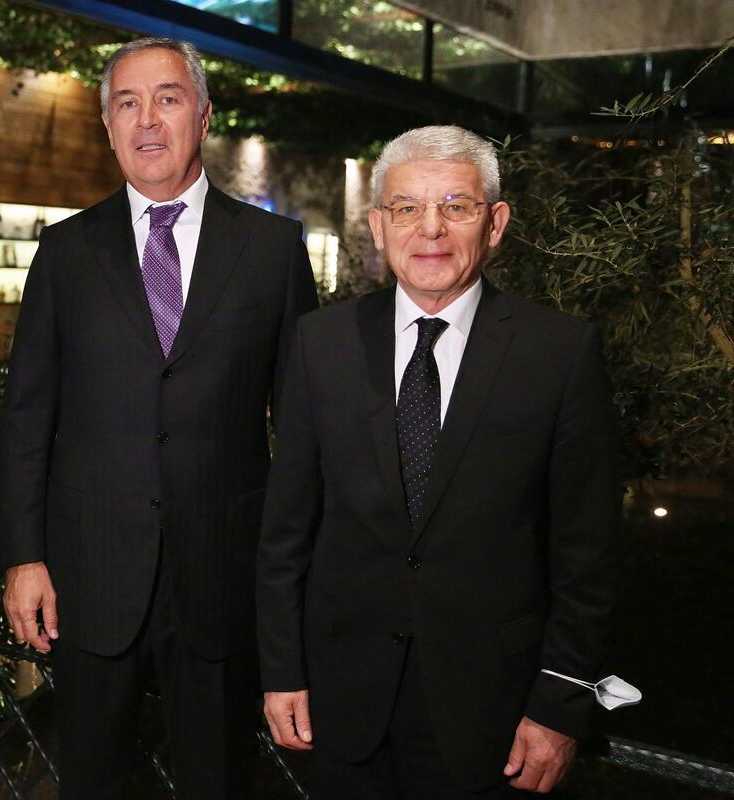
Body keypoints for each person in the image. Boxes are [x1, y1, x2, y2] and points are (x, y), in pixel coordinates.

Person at [257, 125, 621, 798]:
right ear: (378, 226)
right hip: (342, 700)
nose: (430, 228)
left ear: (496, 223)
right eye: (407, 207)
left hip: (496, 712)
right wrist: (281, 670)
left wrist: (561, 704)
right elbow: (286, 531)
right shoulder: (320, 343)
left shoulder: (559, 354)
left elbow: (588, 553)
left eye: (456, 206)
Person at [0, 36, 319, 799]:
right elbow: (27, 419)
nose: (147, 119)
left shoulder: (272, 250)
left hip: (224, 576)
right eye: (127, 103)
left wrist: (295, 578)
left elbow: (305, 429)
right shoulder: (64, 252)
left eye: (167, 99)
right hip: (89, 578)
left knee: (218, 780)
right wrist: (24, 557)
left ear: (202, 116)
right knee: (91, 780)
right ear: (108, 126)